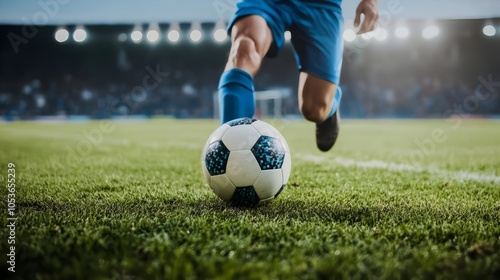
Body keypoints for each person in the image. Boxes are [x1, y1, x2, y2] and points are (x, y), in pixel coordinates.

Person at [218, 0, 379, 151]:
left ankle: (331, 104)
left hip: (320, 5)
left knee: (314, 109)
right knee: (243, 51)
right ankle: (231, 149)